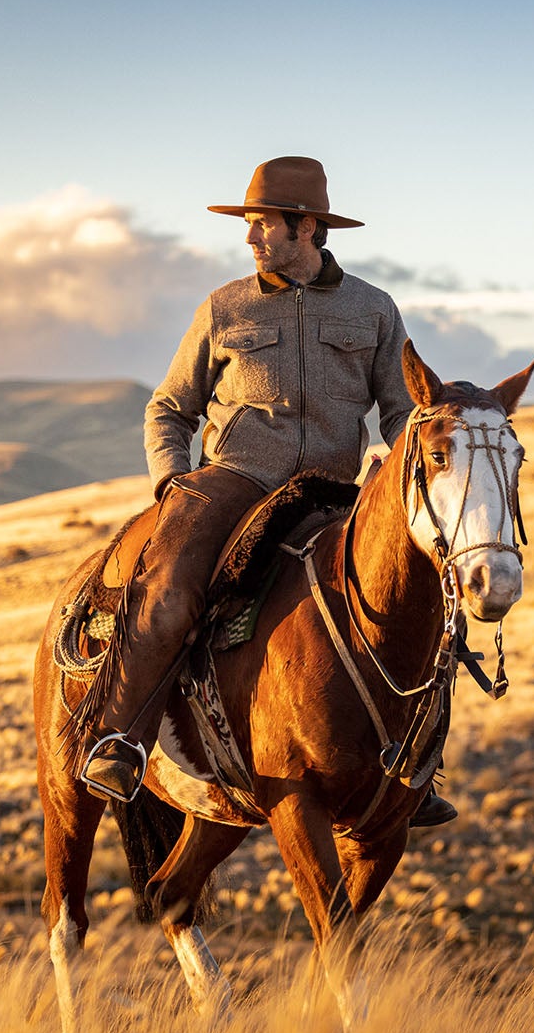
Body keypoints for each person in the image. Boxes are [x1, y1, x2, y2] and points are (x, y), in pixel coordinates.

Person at [79, 156, 457, 828]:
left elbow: (404, 412)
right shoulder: (224, 307)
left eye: (263, 226)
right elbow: (168, 407)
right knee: (169, 590)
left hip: (336, 491)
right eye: (250, 226)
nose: (252, 239)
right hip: (234, 482)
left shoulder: (374, 310)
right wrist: (171, 481)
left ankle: (410, 767)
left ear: (306, 228)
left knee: (418, 599)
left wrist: (402, 475)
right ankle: (120, 739)